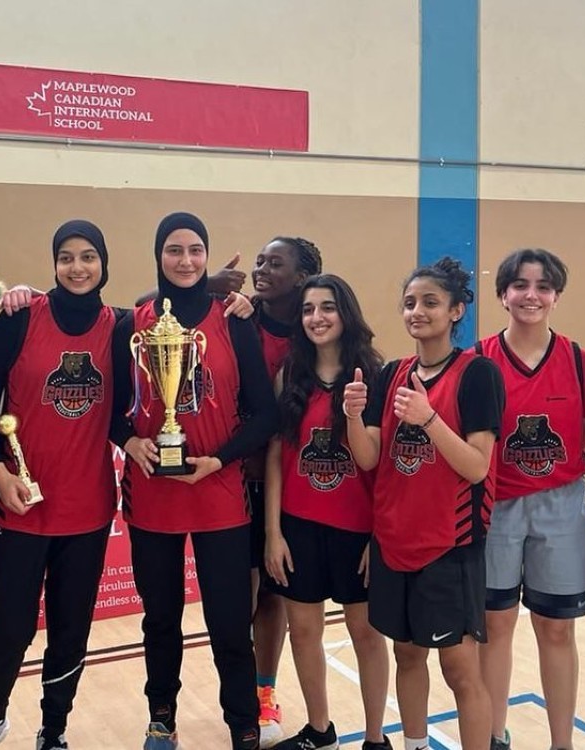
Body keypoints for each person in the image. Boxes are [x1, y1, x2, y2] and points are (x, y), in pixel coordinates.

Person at [111, 211, 279, 750]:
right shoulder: (132, 324)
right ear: (158, 256)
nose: (185, 261)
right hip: (152, 494)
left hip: (219, 492)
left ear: (206, 256)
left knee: (230, 622)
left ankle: (244, 724)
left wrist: (219, 459)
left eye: (195, 250)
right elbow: (113, 410)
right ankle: (161, 717)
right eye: (174, 250)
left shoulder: (234, 320)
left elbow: (266, 414)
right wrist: (129, 441)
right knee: (160, 620)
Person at [0, 221, 120, 750]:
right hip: (21, 507)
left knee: (71, 629)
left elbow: (166, 312)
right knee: (9, 625)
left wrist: (217, 290)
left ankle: (54, 729)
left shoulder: (119, 328)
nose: (77, 267)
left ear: (103, 263)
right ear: (54, 263)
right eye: (66, 257)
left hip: (88, 511)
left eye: (88, 256)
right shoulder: (21, 317)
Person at [345, 258, 504, 750]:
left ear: (456, 310)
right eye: (410, 302)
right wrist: (352, 416)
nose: (417, 311)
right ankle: (414, 744)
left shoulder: (478, 374)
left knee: (460, 668)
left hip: (450, 544)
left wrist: (430, 418)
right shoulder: (391, 374)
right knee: (407, 655)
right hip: (394, 542)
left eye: (430, 302)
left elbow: (477, 467)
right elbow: (369, 458)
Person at [474, 249, 585, 750]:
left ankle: (561, 742)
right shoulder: (478, 361)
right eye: (521, 285)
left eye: (543, 286)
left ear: (556, 296)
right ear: (502, 294)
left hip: (560, 505)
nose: (532, 295)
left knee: (556, 630)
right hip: (495, 506)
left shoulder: (578, 361)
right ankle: (492, 735)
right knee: (495, 625)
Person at [264, 274, 391, 750]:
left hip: (356, 530)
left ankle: (376, 738)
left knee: (365, 634)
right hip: (298, 526)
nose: (316, 317)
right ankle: (320, 731)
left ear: (346, 313)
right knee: (303, 631)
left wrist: (379, 536)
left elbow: (382, 465)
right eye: (308, 309)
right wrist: (273, 531)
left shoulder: (375, 376)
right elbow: (277, 456)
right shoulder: (289, 374)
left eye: (327, 307)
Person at [247, 236, 323, 747]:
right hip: (233, 477)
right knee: (239, 595)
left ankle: (263, 691)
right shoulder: (236, 317)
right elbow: (147, 309)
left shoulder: (315, 333)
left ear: (300, 277)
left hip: (288, 484)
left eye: (275, 263)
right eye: (260, 261)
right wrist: (207, 287)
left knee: (273, 593)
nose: (262, 269)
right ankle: (237, 689)